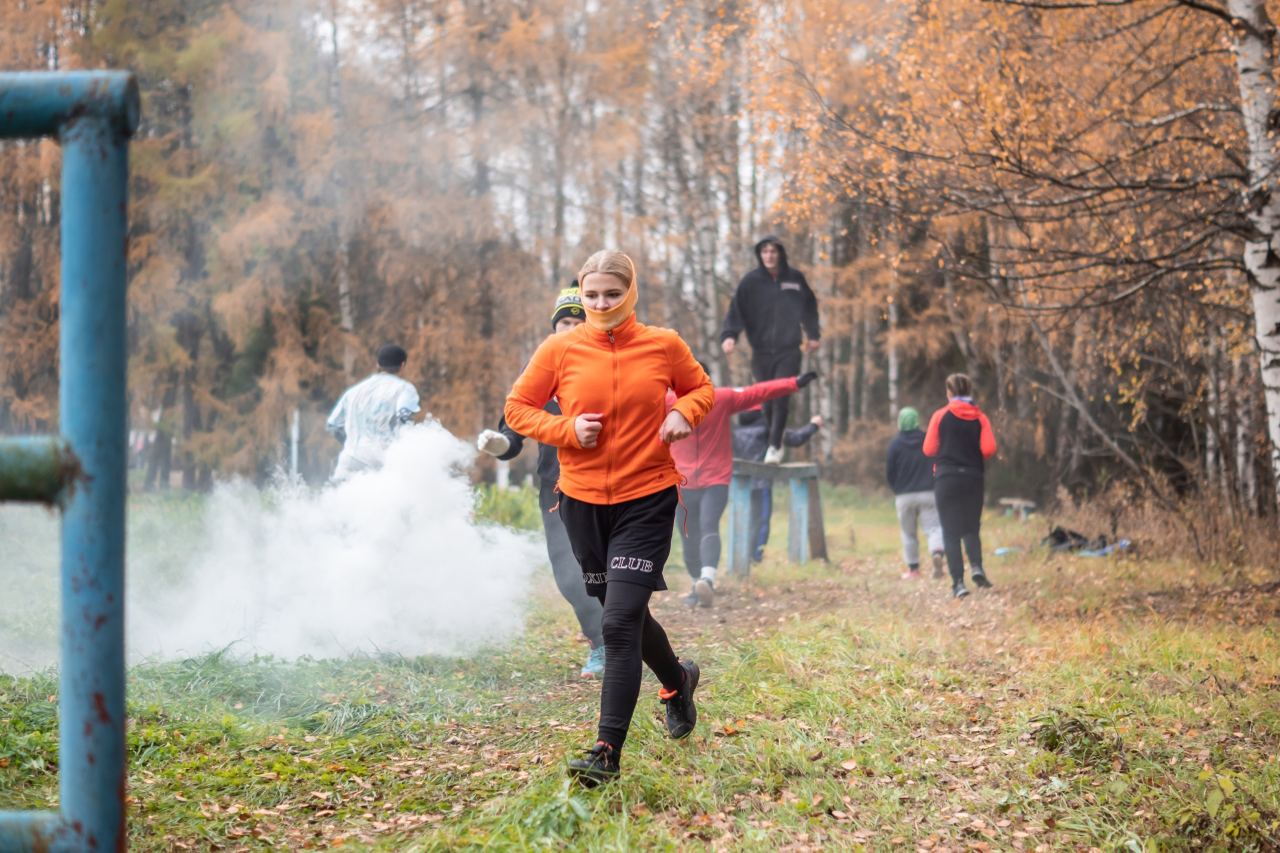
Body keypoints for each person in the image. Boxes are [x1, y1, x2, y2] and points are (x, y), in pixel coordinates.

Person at [504, 250, 714, 787]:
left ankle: (605, 752)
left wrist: (680, 413)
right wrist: (567, 430)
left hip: (647, 498)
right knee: (627, 615)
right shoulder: (560, 348)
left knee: (617, 622)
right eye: (592, 295)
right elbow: (518, 409)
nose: (601, 304)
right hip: (581, 503)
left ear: (631, 293)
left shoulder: (663, 343)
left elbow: (701, 390)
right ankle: (677, 681)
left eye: (612, 295)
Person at [477, 285, 607, 678]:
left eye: (577, 322)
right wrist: (504, 444)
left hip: (607, 480)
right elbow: (516, 419)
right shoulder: (541, 366)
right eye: (564, 322)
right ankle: (600, 641)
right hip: (555, 486)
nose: (570, 329)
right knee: (569, 574)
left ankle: (619, 638)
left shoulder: (607, 364)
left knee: (612, 569)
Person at [669, 369, 817, 608]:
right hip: (684, 481)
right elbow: (759, 392)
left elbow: (758, 392)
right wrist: (794, 383)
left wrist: (793, 383)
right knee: (692, 534)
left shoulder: (717, 398)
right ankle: (700, 583)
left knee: (702, 529)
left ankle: (705, 580)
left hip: (711, 479)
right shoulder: (671, 401)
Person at [720, 236, 820, 465]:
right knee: (765, 397)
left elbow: (810, 306)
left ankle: (775, 445)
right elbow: (736, 310)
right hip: (761, 351)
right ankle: (777, 438)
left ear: (780, 254)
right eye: (764, 252)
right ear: (760, 255)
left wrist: (813, 334)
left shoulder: (795, 279)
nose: (769, 256)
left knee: (782, 394)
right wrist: (729, 336)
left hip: (788, 349)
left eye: (773, 251)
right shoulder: (751, 282)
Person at [923, 374, 997, 598]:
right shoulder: (980, 417)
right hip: (973, 477)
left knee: (950, 532)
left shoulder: (940, 415)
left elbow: (928, 449)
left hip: (947, 478)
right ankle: (976, 567)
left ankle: (958, 584)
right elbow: (988, 449)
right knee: (971, 528)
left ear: (949, 392)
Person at [732, 410, 822, 562]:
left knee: (743, 522)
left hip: (738, 486)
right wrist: (814, 425)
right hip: (761, 484)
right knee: (761, 523)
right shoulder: (767, 429)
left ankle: (740, 559)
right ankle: (754, 558)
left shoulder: (734, 431)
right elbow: (795, 439)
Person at [325, 344, 421, 482]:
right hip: (381, 463)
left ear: (377, 364)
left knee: (343, 502)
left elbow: (332, 425)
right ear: (402, 365)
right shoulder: (405, 389)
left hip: (349, 461)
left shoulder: (354, 391)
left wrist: (353, 444)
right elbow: (404, 418)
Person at [886, 407, 945, 580]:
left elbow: (890, 472)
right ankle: (937, 552)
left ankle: (913, 570)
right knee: (934, 527)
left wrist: (896, 489)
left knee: (908, 533)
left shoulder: (895, 444)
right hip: (929, 492)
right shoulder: (928, 438)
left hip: (904, 495)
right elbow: (938, 461)